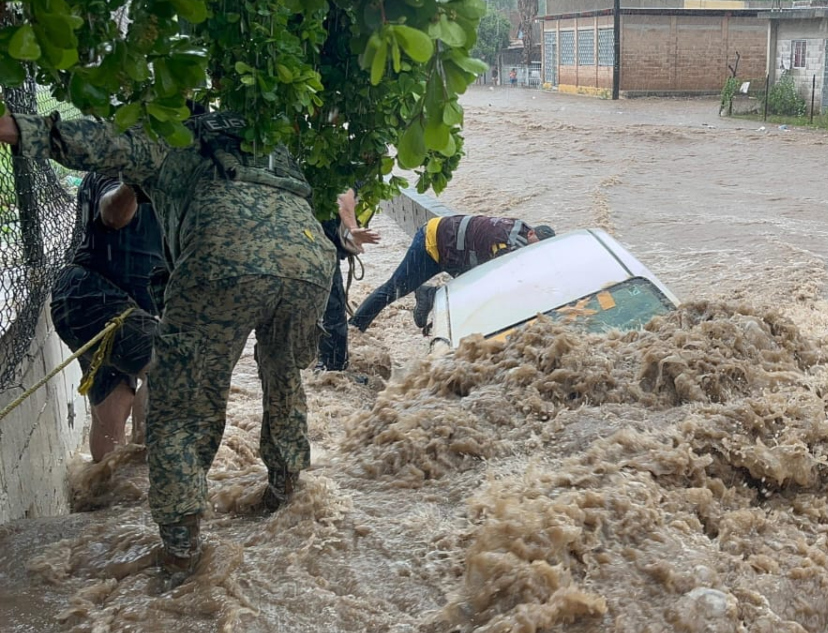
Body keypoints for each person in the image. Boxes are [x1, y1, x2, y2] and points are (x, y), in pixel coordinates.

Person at [0, 106, 335, 589]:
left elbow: (102, 142)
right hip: (309, 258)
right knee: (283, 377)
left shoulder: (174, 136)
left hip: (223, 254)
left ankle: (181, 556)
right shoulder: (267, 138)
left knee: (182, 406)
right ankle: (286, 496)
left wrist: (21, 127)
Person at [50, 173, 165, 462]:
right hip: (94, 298)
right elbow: (113, 214)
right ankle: (145, 483)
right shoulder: (117, 167)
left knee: (112, 409)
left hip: (88, 303)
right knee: (168, 367)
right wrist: (136, 183)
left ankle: (107, 497)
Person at [348, 215, 555, 333]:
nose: (534, 253)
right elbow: (501, 282)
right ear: (531, 233)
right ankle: (354, 330)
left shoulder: (521, 234)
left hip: (456, 252)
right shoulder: (508, 242)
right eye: (537, 245)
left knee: (474, 293)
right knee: (392, 290)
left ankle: (431, 296)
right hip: (433, 242)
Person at [316, 188, 380, 372]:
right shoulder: (351, 166)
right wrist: (353, 229)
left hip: (301, 241)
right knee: (333, 311)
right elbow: (344, 196)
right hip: (321, 246)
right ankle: (333, 370)